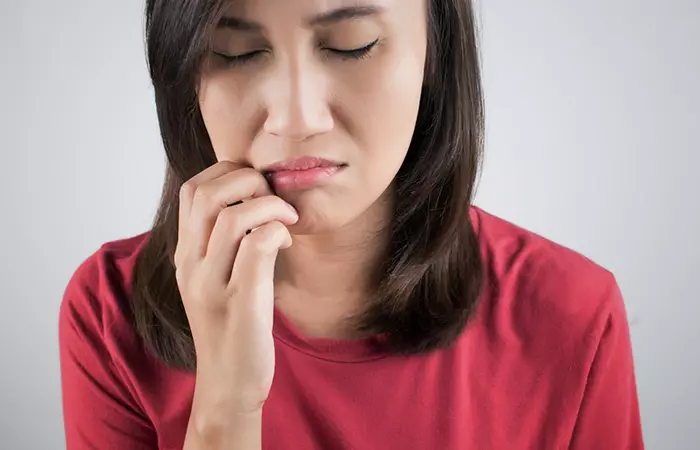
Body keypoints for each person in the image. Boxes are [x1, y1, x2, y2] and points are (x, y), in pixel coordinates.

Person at [58, 0, 645, 448]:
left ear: (433, 51)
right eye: (234, 53)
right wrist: (226, 405)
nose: (295, 118)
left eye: (350, 45)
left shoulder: (571, 313)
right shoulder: (110, 310)